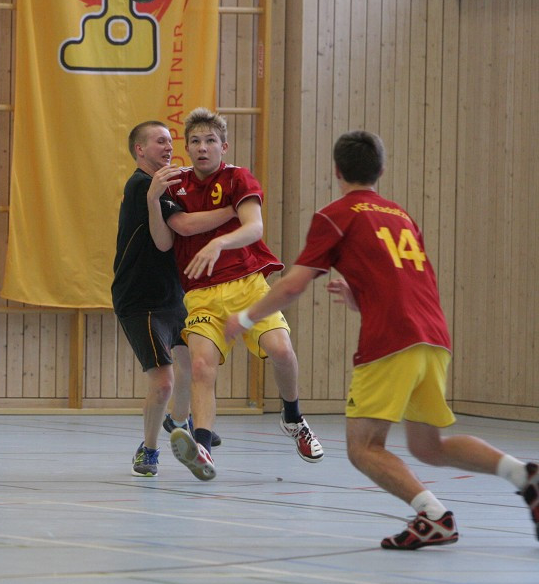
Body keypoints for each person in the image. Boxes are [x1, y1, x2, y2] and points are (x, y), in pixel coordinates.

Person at [224, 130, 539, 548]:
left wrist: (246, 317)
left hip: (391, 340)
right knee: (428, 447)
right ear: (382, 170)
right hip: (433, 336)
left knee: (364, 447)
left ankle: (434, 517)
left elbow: (294, 284)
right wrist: (360, 298)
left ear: (336, 170)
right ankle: (526, 477)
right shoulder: (400, 214)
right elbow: (405, 280)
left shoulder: (337, 215)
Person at [148, 107, 324, 481]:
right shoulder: (176, 187)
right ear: (187, 147)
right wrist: (153, 201)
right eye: (194, 141)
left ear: (223, 146)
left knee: (281, 351)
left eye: (210, 141)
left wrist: (218, 244)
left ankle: (293, 417)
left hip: (248, 287)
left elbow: (254, 228)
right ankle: (203, 449)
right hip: (201, 296)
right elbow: (167, 238)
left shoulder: (237, 178)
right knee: (199, 367)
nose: (202, 148)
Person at [112, 121, 227, 477]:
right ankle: (148, 451)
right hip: (140, 299)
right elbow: (180, 230)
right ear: (140, 150)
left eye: (170, 141)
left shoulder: (170, 185)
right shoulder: (142, 185)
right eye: (160, 141)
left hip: (175, 294)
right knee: (164, 382)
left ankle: (179, 421)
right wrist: (238, 208)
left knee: (193, 364)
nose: (168, 146)